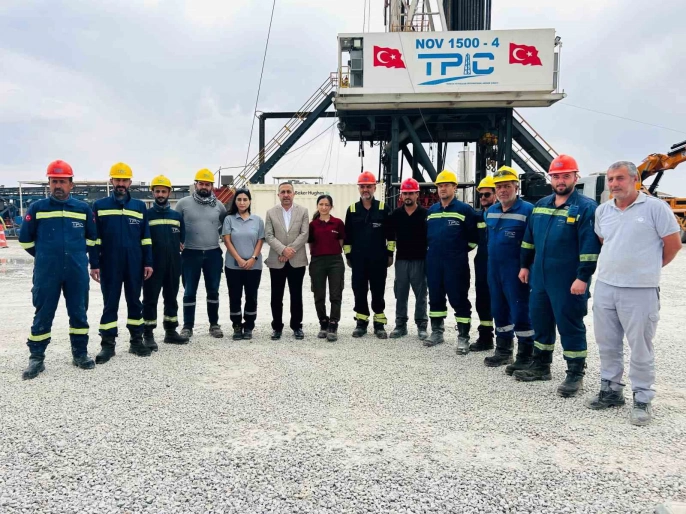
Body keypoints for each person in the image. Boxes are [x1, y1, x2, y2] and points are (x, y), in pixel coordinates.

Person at [587, 160, 681, 426]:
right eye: (611, 179)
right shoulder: (603, 211)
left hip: (640, 290)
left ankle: (642, 397)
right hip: (606, 286)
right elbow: (605, 242)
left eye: (620, 178)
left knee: (640, 346)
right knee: (607, 343)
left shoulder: (655, 208)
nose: (614, 184)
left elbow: (673, 245)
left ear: (634, 179)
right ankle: (611, 389)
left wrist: (648, 268)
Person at [515, 155, 601, 397]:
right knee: (540, 320)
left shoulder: (586, 207)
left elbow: (589, 248)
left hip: (568, 280)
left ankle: (575, 373)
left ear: (575, 177)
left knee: (570, 324)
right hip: (540, 278)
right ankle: (541, 365)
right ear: (550, 178)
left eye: (565, 176)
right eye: (556, 176)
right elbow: (529, 239)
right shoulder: (541, 205)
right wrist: (524, 265)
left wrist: (582, 277)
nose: (560, 181)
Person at [19, 160, 99, 379]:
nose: (58, 186)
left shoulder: (82, 209)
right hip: (47, 271)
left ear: (71, 184)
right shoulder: (37, 208)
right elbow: (25, 240)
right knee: (43, 313)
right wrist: (44, 255)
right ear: (49, 183)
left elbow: (92, 239)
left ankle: (80, 353)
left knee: (79, 312)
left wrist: (81, 257)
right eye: (54, 181)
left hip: (76, 270)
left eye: (62, 182)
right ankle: (36, 358)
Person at [92, 162, 153, 363]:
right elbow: (95, 238)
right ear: (111, 181)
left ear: (130, 182)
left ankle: (136, 341)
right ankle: (107, 345)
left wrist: (148, 262)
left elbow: (145, 238)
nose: (121, 183)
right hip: (109, 262)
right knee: (110, 303)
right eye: (117, 180)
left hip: (135, 262)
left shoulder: (139, 207)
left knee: (135, 302)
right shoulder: (100, 206)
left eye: (124, 180)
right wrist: (94, 264)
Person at [483, 166, 535, 371]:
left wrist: (526, 266)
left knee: (520, 310)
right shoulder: (491, 211)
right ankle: (503, 350)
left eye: (507, 186)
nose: (502, 190)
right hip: (494, 269)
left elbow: (534, 242)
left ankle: (526, 354)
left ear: (516, 187)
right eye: (499, 187)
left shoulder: (528, 210)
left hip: (516, 270)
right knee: (499, 309)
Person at [424, 170, 478, 352]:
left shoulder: (464, 210)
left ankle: (463, 337)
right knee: (435, 297)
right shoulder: (432, 211)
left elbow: (473, 238)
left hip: (456, 264)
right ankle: (437, 332)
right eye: (440, 186)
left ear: (455, 187)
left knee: (459, 298)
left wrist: (458, 252)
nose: (442, 188)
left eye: (446, 185)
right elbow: (427, 237)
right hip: (434, 262)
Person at [175, 168, 227, 339]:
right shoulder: (183, 204)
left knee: (213, 291)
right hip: (190, 253)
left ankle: (214, 325)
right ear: (195, 184)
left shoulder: (218, 205)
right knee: (189, 291)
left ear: (212, 186)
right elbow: (174, 225)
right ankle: (187, 326)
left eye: (207, 184)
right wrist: (177, 241)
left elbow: (227, 225)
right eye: (201, 183)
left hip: (213, 253)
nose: (204, 187)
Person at [343, 171, 396, 339]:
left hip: (378, 259)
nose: (365, 189)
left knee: (378, 290)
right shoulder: (352, 210)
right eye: (362, 186)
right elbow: (347, 237)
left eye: (368, 186)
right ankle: (361, 322)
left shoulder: (383, 209)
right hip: (358, 260)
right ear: (359, 188)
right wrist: (348, 256)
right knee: (359, 290)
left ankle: (379, 324)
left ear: (374, 188)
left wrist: (390, 254)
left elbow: (391, 235)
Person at [142, 175, 188, 350]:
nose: (160, 194)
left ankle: (170, 331)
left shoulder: (176, 216)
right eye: (157, 191)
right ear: (153, 193)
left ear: (169, 193)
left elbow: (182, 238)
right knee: (150, 299)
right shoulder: (146, 215)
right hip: (152, 264)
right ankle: (148, 334)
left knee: (171, 298)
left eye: (163, 191)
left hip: (173, 264)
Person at [264, 182, 310, 340]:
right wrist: (283, 250)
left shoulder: (303, 211)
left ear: (293, 194)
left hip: (297, 260)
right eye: (282, 192)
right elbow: (268, 235)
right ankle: (277, 327)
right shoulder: (271, 213)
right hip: (277, 260)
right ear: (278, 195)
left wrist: (289, 251)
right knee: (276, 296)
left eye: (288, 192)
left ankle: (297, 326)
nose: (286, 195)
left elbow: (304, 234)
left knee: (296, 295)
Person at [221, 188, 265, 341]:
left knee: (251, 296)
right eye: (239, 199)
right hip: (233, 266)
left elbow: (260, 240)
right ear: (235, 202)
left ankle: (249, 325)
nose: (242, 202)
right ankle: (237, 326)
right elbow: (227, 241)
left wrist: (253, 258)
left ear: (250, 201)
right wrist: (239, 259)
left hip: (254, 266)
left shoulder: (257, 220)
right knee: (235, 296)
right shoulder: (229, 219)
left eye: (245, 199)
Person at [389, 178, 428, 340]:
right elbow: (390, 237)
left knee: (421, 294)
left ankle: (421, 325)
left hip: (420, 259)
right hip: (402, 260)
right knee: (401, 292)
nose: (408, 196)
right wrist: (390, 254)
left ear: (417, 194)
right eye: (405, 193)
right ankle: (400, 325)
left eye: (411, 193)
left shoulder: (425, 214)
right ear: (401, 195)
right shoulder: (396, 215)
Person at [308, 194, 346, 342]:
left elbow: (341, 241)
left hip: (335, 261)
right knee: (319, 294)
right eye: (321, 204)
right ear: (317, 206)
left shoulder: (338, 223)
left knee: (336, 294)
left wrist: (332, 252)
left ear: (331, 207)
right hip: (317, 261)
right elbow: (311, 243)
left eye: (327, 205)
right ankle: (323, 322)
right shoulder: (312, 225)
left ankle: (333, 324)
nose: (324, 207)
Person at [469, 175, 496, 352]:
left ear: (495, 194)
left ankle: (508, 342)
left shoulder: (505, 214)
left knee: (504, 302)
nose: (483, 198)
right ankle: (486, 337)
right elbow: (471, 240)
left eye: (487, 194)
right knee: (483, 301)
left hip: (502, 264)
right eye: (481, 195)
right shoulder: (478, 217)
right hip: (482, 263)